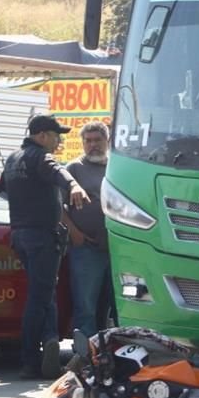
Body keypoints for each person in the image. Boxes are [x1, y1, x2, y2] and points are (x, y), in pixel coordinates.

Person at [0, 114, 89, 379]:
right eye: (55, 135)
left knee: (45, 290)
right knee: (38, 298)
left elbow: (1, 187)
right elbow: (56, 169)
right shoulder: (39, 157)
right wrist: (73, 185)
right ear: (41, 136)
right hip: (41, 238)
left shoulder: (13, 159)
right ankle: (30, 361)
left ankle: (50, 340)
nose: (58, 141)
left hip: (21, 235)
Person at [62, 121, 112, 339]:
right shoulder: (73, 169)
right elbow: (58, 207)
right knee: (86, 306)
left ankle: (118, 352)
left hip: (119, 249)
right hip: (86, 249)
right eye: (88, 141)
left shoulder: (117, 167)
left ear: (107, 141)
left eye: (97, 140)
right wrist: (74, 232)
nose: (93, 145)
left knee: (120, 305)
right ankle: (85, 358)